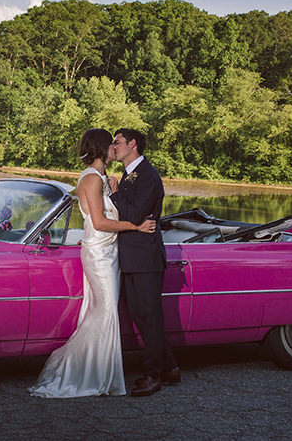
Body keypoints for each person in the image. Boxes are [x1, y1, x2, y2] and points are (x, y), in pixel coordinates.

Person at [28, 128, 156, 398]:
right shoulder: (93, 179)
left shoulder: (98, 177)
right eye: (111, 144)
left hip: (105, 250)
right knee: (104, 311)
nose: (114, 148)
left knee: (100, 310)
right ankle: (89, 372)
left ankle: (97, 370)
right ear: (101, 148)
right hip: (100, 254)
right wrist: (136, 226)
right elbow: (98, 222)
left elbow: (93, 220)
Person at [108, 128, 179, 398]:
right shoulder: (130, 173)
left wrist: (115, 192)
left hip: (146, 258)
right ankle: (170, 367)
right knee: (141, 315)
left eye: (118, 142)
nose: (114, 147)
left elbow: (136, 215)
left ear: (133, 144)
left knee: (149, 317)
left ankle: (152, 375)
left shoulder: (148, 176)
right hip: (132, 257)